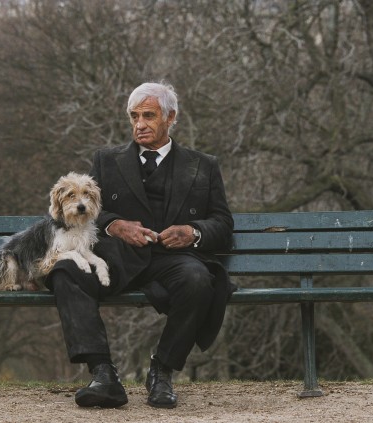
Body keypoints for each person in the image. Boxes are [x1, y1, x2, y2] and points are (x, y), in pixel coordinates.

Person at [45, 82, 234, 409]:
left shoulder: (203, 165)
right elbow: (90, 207)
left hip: (173, 259)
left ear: (170, 117)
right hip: (118, 258)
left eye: (149, 115)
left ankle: (162, 371)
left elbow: (222, 221)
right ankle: (103, 374)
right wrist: (115, 225)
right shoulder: (107, 160)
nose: (140, 124)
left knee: (200, 281)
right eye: (134, 116)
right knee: (64, 271)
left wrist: (193, 231)